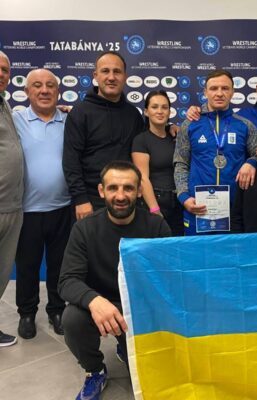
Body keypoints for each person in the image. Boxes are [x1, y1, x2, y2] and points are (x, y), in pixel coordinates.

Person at [58, 161, 171, 400]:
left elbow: (168, 279)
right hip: (102, 305)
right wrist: (94, 301)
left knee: (153, 381)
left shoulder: (157, 226)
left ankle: (125, 345)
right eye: (113, 188)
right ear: (101, 191)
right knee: (72, 318)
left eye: (128, 188)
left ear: (139, 191)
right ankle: (95, 370)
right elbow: (67, 280)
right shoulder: (84, 229)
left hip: (141, 309)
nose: (120, 196)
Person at [13, 69, 70, 339]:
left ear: (58, 91)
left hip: (63, 207)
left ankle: (57, 310)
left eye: (50, 85)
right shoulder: (15, 120)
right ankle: (26, 313)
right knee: (27, 266)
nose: (44, 90)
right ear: (27, 92)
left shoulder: (70, 120)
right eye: (37, 85)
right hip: (27, 210)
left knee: (60, 265)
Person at [173, 69, 257, 235]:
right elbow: (181, 163)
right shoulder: (190, 124)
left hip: (235, 210)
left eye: (225, 88)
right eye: (213, 88)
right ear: (205, 92)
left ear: (232, 92)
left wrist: (252, 162)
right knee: (197, 252)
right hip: (197, 207)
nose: (219, 93)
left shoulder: (245, 125)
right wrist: (184, 197)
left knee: (232, 253)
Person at [62, 51, 144, 221]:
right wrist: (80, 199)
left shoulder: (133, 115)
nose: (111, 77)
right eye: (105, 71)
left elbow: (146, 147)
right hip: (90, 201)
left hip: (126, 199)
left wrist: (169, 127)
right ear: (95, 76)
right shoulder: (80, 113)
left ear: (125, 77)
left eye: (117, 72)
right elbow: (71, 160)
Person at [132, 90, 183, 236]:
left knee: (177, 245)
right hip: (155, 202)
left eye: (164, 107)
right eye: (154, 107)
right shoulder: (141, 140)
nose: (160, 111)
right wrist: (155, 209)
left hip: (179, 202)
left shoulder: (176, 136)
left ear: (169, 112)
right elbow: (143, 178)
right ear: (146, 112)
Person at [0, 51, 24, 347]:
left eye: (5, 69)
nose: (1, 74)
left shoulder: (5, 104)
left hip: (12, 206)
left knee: (2, 272)